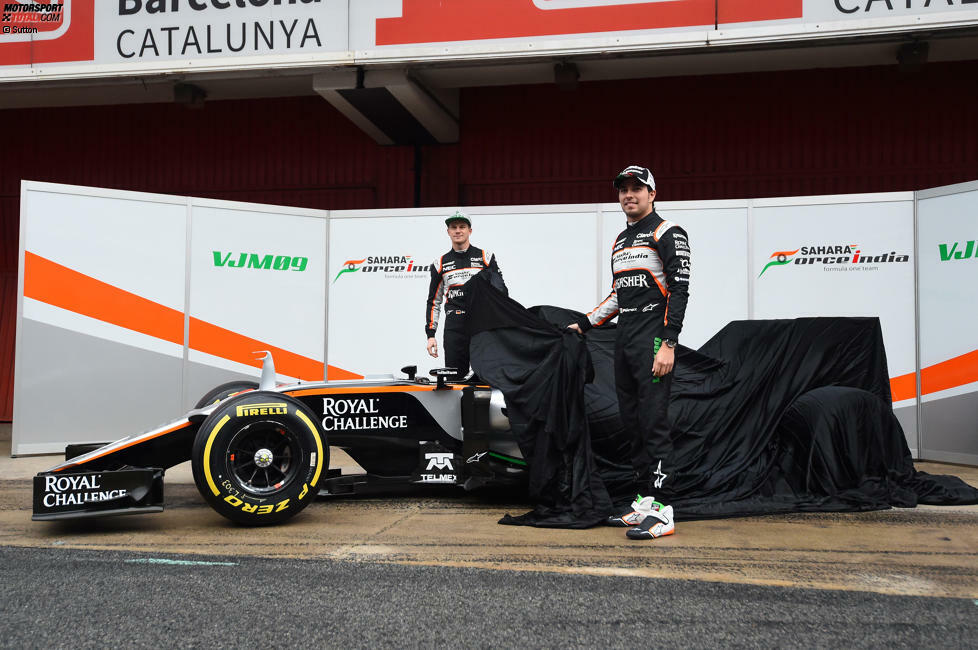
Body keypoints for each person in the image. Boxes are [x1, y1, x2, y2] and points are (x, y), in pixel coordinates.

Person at [568, 165, 690, 540]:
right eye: (623, 190)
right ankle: (645, 504)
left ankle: (664, 510)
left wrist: (669, 342)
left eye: (637, 189)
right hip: (626, 343)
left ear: (652, 194)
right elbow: (619, 295)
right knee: (633, 426)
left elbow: (680, 289)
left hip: (654, 340)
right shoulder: (621, 240)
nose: (629, 195)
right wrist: (584, 324)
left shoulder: (668, 231)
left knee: (653, 425)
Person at [425, 211, 505, 380]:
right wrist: (431, 335)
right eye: (453, 227)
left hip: (481, 325)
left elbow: (501, 293)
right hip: (455, 326)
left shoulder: (485, 257)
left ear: (470, 230)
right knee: (454, 378)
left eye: (462, 226)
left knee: (486, 377)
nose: (458, 230)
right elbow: (434, 302)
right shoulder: (439, 263)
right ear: (448, 232)